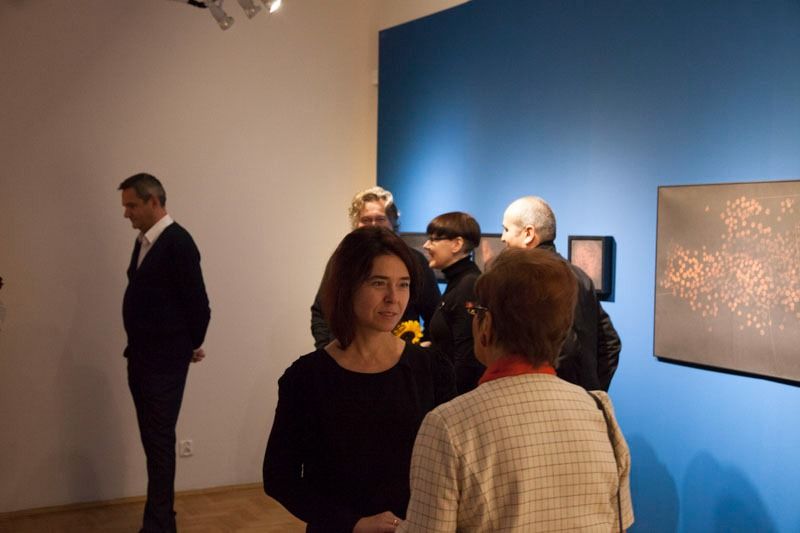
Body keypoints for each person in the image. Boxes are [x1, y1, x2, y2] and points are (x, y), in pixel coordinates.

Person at [399, 248, 634, 532]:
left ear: (486, 327)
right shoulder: (599, 411)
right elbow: (618, 524)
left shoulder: (449, 425)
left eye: (476, 312)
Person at [264, 226, 456, 533]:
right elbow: (279, 478)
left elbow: (450, 465)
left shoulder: (432, 368)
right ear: (347, 286)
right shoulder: (306, 378)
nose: (393, 298)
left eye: (403, 285)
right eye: (379, 283)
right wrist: (353, 523)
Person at [120, 173, 211, 533]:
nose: (126, 213)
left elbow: (199, 305)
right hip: (142, 358)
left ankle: (159, 525)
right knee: (153, 442)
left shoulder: (178, 243)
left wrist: (187, 345)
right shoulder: (144, 241)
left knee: (158, 443)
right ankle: (161, 520)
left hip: (161, 364)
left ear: (154, 202)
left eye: (132, 205)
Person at [501, 196, 622, 391]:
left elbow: (566, 349)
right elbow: (610, 342)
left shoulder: (530, 280)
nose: (502, 238)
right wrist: (592, 391)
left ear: (528, 234)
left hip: (544, 399)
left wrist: (556, 393)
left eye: (506, 229)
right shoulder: (580, 276)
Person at [310, 187, 440, 348]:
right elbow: (321, 310)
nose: (373, 225)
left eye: (380, 219)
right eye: (366, 219)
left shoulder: (414, 260)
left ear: (392, 223)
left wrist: (418, 352)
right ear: (356, 224)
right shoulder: (342, 260)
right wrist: (328, 350)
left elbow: (434, 313)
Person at [423, 212, 484, 394]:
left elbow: (467, 359)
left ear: (457, 244)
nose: (426, 245)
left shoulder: (468, 285)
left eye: (433, 239)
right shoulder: (458, 282)